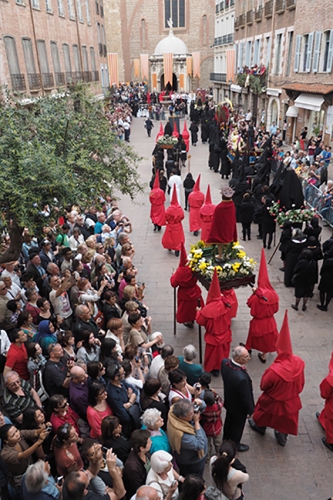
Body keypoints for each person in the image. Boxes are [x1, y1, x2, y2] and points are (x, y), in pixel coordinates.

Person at [249, 310, 305, 447]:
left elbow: (264, 385)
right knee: (285, 421)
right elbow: (301, 384)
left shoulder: (274, 370)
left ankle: (260, 427)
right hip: (290, 400)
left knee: (264, 414)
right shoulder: (299, 362)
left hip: (273, 400)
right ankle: (281, 436)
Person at [244, 248, 279, 363]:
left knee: (253, 336)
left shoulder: (256, 297)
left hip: (258, 321)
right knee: (267, 339)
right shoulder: (274, 294)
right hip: (270, 321)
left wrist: (254, 293)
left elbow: (249, 304)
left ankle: (248, 348)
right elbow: (276, 309)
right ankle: (263, 355)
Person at [196, 269, 232, 377]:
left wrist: (198, 312)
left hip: (213, 336)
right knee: (223, 353)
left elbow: (200, 321)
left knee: (212, 356)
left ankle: (213, 369)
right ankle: (222, 366)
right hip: (225, 334)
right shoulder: (226, 304)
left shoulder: (207, 310)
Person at [0, 424, 48, 500]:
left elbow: (34, 433)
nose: (17, 434)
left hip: (30, 471)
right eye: (13, 435)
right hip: (19, 479)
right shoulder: (5, 453)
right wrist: (39, 442)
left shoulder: (19, 435)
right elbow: (22, 456)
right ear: (6, 440)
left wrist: (44, 428)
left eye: (16, 431)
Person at [221, 346, 254, 451]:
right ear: (238, 359)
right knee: (237, 427)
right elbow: (246, 397)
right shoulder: (242, 378)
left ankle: (226, 438)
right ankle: (234, 445)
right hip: (239, 408)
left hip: (229, 401)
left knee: (229, 421)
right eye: (246, 356)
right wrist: (250, 410)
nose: (249, 358)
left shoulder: (225, 363)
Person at [167, 399, 208, 478]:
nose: (194, 415)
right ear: (182, 417)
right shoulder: (181, 434)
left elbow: (202, 408)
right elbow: (199, 445)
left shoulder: (174, 411)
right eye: (191, 414)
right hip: (192, 462)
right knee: (194, 479)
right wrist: (196, 422)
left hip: (193, 458)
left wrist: (200, 403)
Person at [170, 243, 203, 328]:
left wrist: (173, 275)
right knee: (195, 306)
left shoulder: (179, 272)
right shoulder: (193, 267)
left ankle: (188, 321)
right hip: (194, 290)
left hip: (184, 293)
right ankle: (196, 317)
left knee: (186, 309)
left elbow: (174, 284)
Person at [206, 186, 237, 260]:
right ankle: (226, 254)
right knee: (227, 241)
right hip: (229, 226)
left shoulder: (219, 207)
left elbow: (215, 219)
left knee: (220, 242)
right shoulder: (232, 205)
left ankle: (220, 255)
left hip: (220, 227)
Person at [123, 429, 152, 499]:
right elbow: (139, 488)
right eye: (148, 442)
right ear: (141, 448)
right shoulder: (132, 467)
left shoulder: (146, 454)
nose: (151, 442)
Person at [162, 186, 185, 258]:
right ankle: (177, 250)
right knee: (177, 238)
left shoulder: (169, 209)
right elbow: (182, 216)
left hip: (170, 225)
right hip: (178, 225)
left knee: (170, 238)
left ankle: (169, 247)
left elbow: (165, 217)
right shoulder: (179, 209)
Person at [316, 351, 333, 451]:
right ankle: (322, 419)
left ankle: (331, 442)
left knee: (331, 424)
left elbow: (324, 394)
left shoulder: (331, 378)